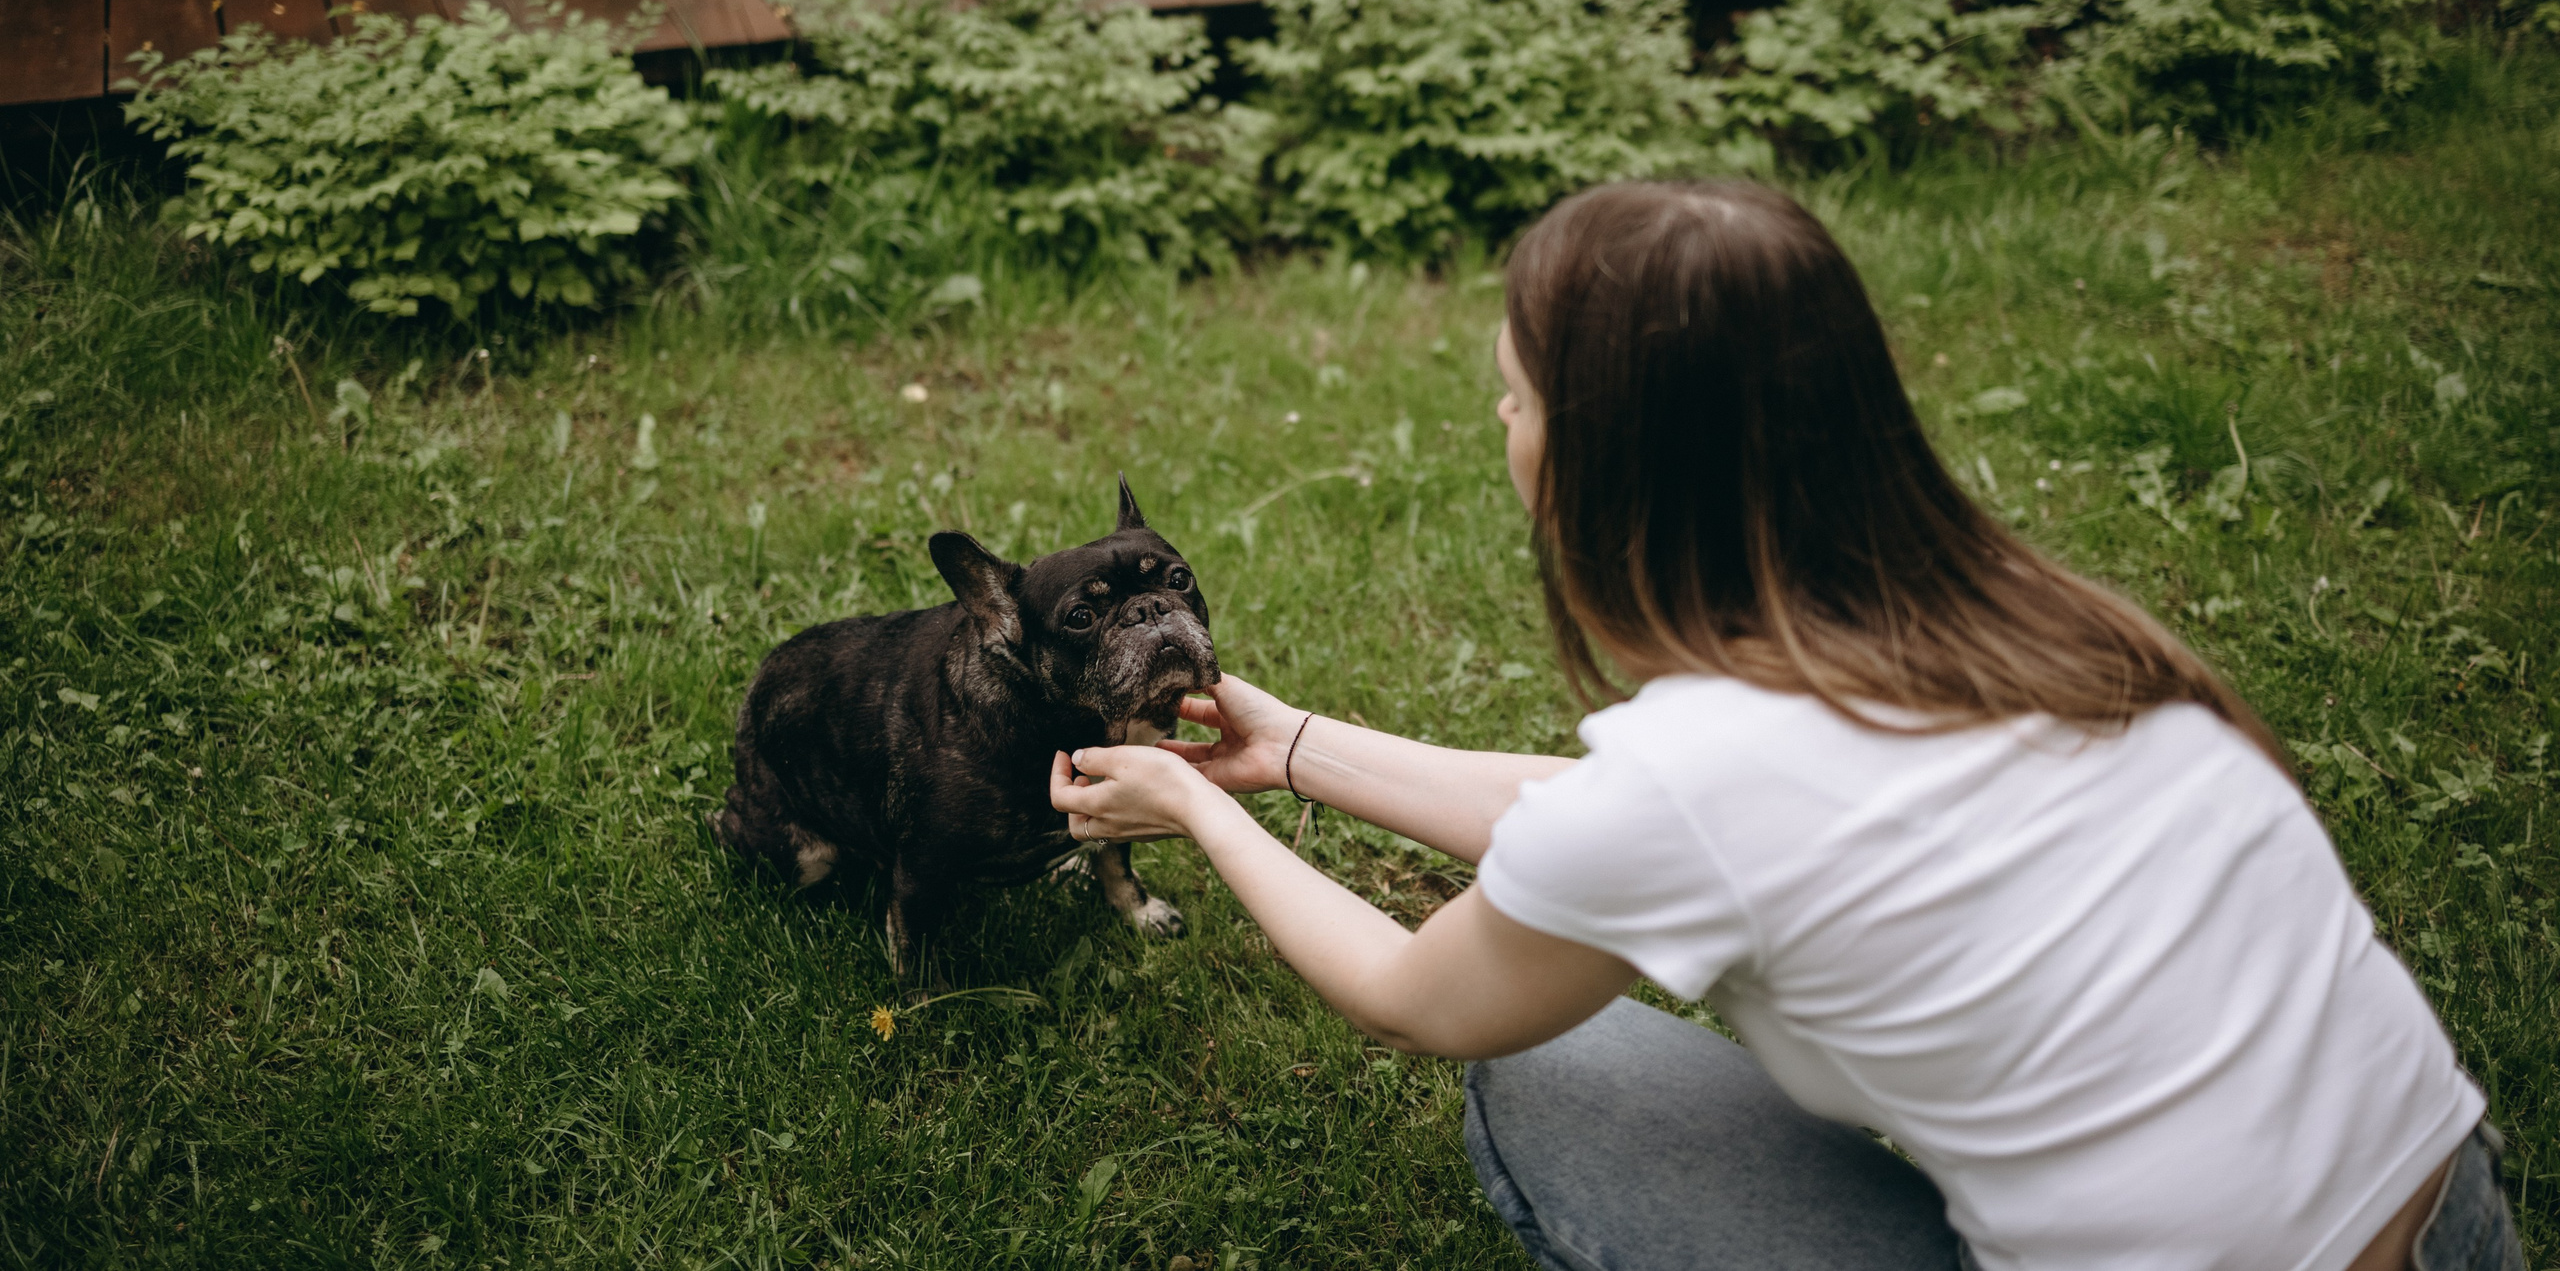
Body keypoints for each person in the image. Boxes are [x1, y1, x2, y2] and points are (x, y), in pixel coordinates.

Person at [1047, 179, 2521, 1271]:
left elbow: (1421, 997)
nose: (1501, 427)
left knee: (1561, 1077)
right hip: (2452, 1218)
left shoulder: (1706, 780)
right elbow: (1613, 825)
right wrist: (1290, 743)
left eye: (1510, 401)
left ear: (1604, 456)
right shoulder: (2035, 625)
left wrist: (1199, 810)